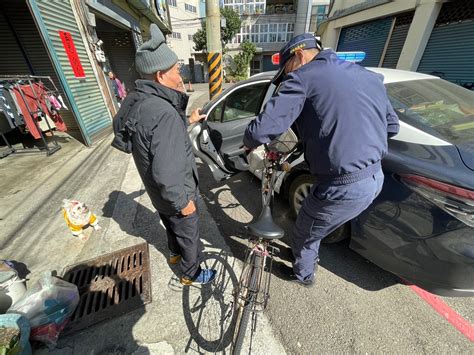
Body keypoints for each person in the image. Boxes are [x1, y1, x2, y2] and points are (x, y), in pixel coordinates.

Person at [243, 34, 400, 287]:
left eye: (285, 71)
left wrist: (248, 142)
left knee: (306, 227)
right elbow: (392, 126)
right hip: (375, 177)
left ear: (299, 55)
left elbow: (262, 130)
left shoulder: (303, 77)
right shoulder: (368, 77)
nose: (285, 78)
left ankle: (302, 274)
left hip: (343, 185)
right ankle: (300, 255)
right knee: (314, 221)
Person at [115, 24, 215, 285]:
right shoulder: (164, 114)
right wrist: (183, 203)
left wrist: (186, 120)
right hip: (174, 193)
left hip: (157, 194)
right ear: (161, 76)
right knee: (187, 232)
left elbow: (152, 139)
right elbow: (167, 171)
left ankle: (173, 254)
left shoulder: (138, 100)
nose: (180, 73)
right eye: (176, 70)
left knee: (170, 225)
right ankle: (190, 273)